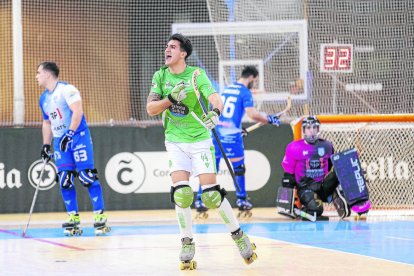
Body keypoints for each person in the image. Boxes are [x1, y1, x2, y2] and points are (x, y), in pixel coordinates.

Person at [146, 33, 257, 269]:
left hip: (199, 139)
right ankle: (186, 242)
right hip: (175, 141)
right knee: (182, 194)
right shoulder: (160, 76)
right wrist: (170, 99)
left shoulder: (196, 75)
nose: (167, 49)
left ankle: (239, 236)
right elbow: (151, 109)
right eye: (167, 46)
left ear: (183, 53)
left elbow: (216, 98)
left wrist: (215, 114)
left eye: (172, 47)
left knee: (211, 195)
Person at [195, 66, 281, 214]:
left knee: (210, 169)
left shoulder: (227, 89)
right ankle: (241, 200)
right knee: (239, 169)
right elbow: (253, 114)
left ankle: (199, 200)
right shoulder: (245, 92)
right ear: (251, 78)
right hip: (231, 137)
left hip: (215, 134)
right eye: (254, 81)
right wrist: (269, 119)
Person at [37, 61, 109, 235]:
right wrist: (46, 145)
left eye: (38, 72)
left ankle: (99, 216)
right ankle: (73, 218)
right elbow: (47, 122)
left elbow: (78, 112)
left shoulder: (67, 90)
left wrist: (69, 134)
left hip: (78, 136)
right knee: (64, 179)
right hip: (59, 140)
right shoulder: (43, 99)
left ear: (47, 74)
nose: (36, 76)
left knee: (86, 176)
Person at [280, 116, 350, 219]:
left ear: (318, 129)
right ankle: (301, 212)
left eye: (314, 127)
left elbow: (331, 166)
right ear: (303, 130)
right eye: (308, 128)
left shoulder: (327, 146)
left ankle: (345, 197)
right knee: (316, 210)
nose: (312, 131)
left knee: (344, 166)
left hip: (323, 186)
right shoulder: (294, 147)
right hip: (305, 188)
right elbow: (288, 176)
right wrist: (287, 202)